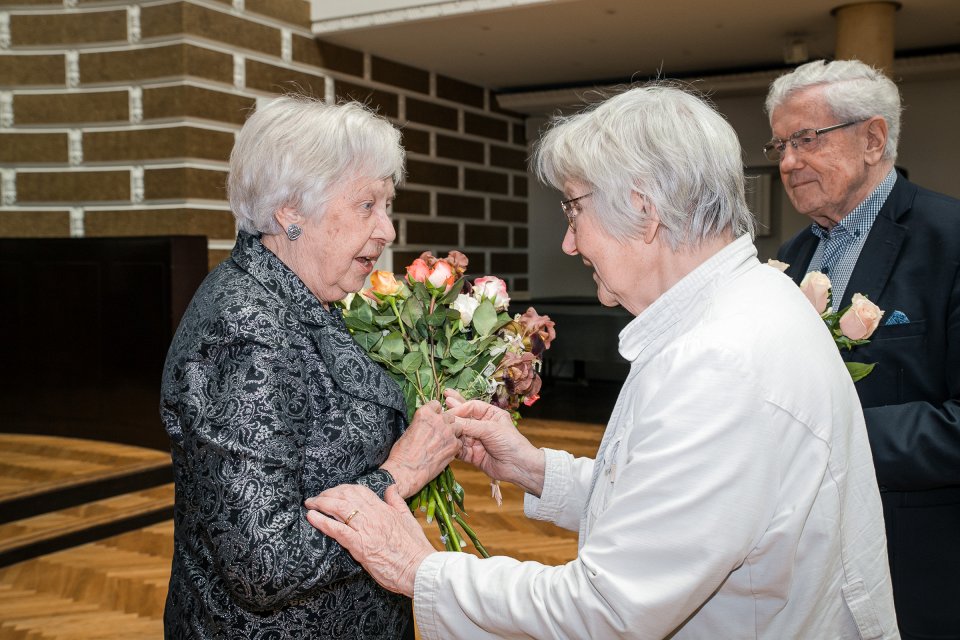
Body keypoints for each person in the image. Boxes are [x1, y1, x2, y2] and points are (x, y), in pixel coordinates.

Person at [304, 84, 900, 639]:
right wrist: (536, 469)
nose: (569, 241)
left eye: (573, 209)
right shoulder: (743, 305)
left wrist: (420, 569)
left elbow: (610, 608)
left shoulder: (719, 362)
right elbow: (669, 515)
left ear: (643, 209)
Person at [159, 95, 461, 639]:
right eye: (367, 205)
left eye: (386, 205)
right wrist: (402, 474)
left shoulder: (304, 298)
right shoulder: (246, 331)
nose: (388, 230)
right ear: (290, 211)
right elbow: (264, 564)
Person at [767, 59, 960, 639]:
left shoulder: (949, 240)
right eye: (779, 144)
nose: (787, 162)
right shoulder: (789, 257)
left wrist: (826, 442)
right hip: (802, 581)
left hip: (917, 570)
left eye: (805, 139)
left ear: (873, 138)